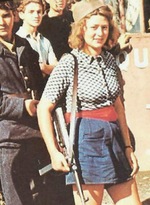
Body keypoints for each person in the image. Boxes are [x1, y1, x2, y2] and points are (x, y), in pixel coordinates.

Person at [37, 0, 142, 205]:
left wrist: (128, 147)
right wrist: (53, 151)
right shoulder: (70, 62)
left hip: (115, 138)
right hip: (86, 142)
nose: (100, 33)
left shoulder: (110, 60)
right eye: (94, 27)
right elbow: (43, 107)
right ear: (81, 29)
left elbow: (118, 105)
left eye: (104, 27)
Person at [0, 1, 53, 204]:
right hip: (8, 139)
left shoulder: (24, 45)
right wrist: (22, 105)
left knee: (45, 196)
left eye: (5, 15)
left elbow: (39, 86)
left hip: (36, 133)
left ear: (13, 16)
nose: (1, 22)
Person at [16, 0, 57, 78]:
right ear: (21, 15)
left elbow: (57, 68)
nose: (36, 15)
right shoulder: (17, 39)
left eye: (39, 12)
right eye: (31, 12)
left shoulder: (45, 41)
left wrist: (43, 67)